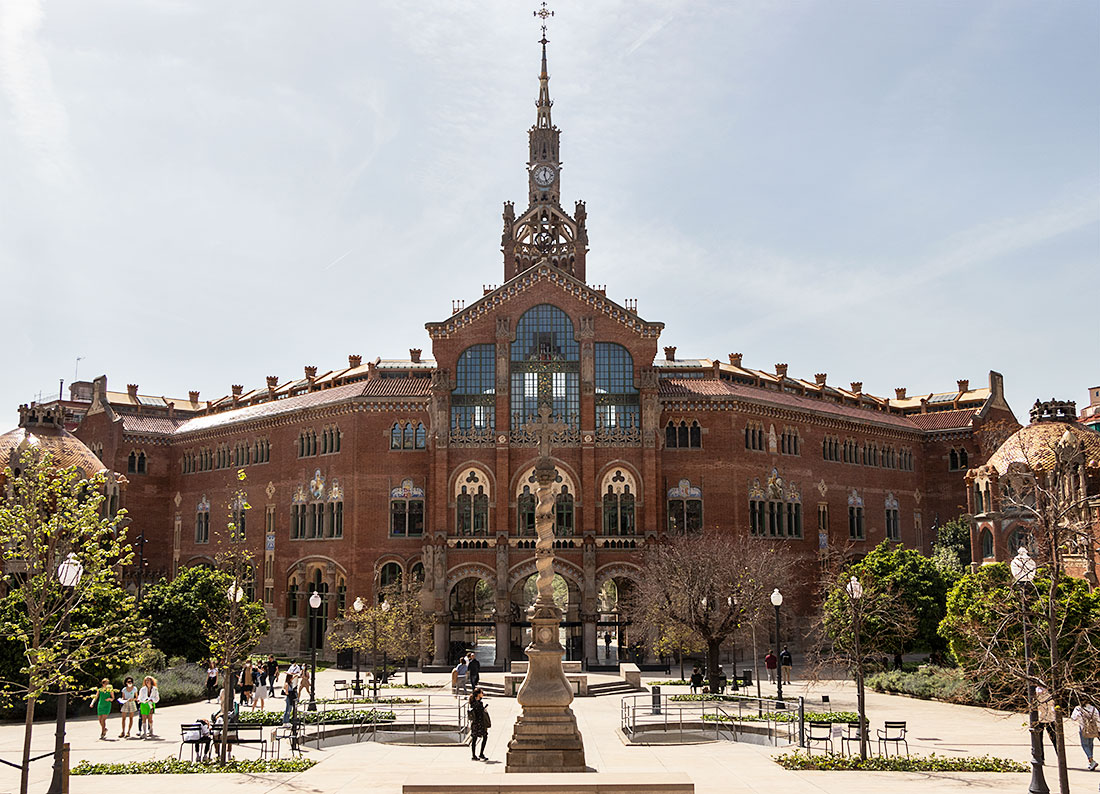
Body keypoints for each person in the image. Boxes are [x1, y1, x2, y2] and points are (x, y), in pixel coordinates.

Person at [1070, 700, 1099, 771]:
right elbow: (1098, 719)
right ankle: (1090, 762)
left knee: (1085, 745)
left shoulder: (1078, 708)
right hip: (1093, 729)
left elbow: (1073, 718)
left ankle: (1091, 760)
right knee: (1090, 744)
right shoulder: (1093, 708)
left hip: (1084, 729)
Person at [468, 688, 490, 761]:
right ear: (478, 694)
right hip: (479, 723)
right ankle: (479, 754)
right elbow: (479, 713)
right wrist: (484, 709)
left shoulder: (474, 702)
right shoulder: (478, 703)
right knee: (481, 738)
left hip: (476, 723)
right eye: (481, 693)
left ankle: (475, 755)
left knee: (475, 739)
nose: (482, 694)